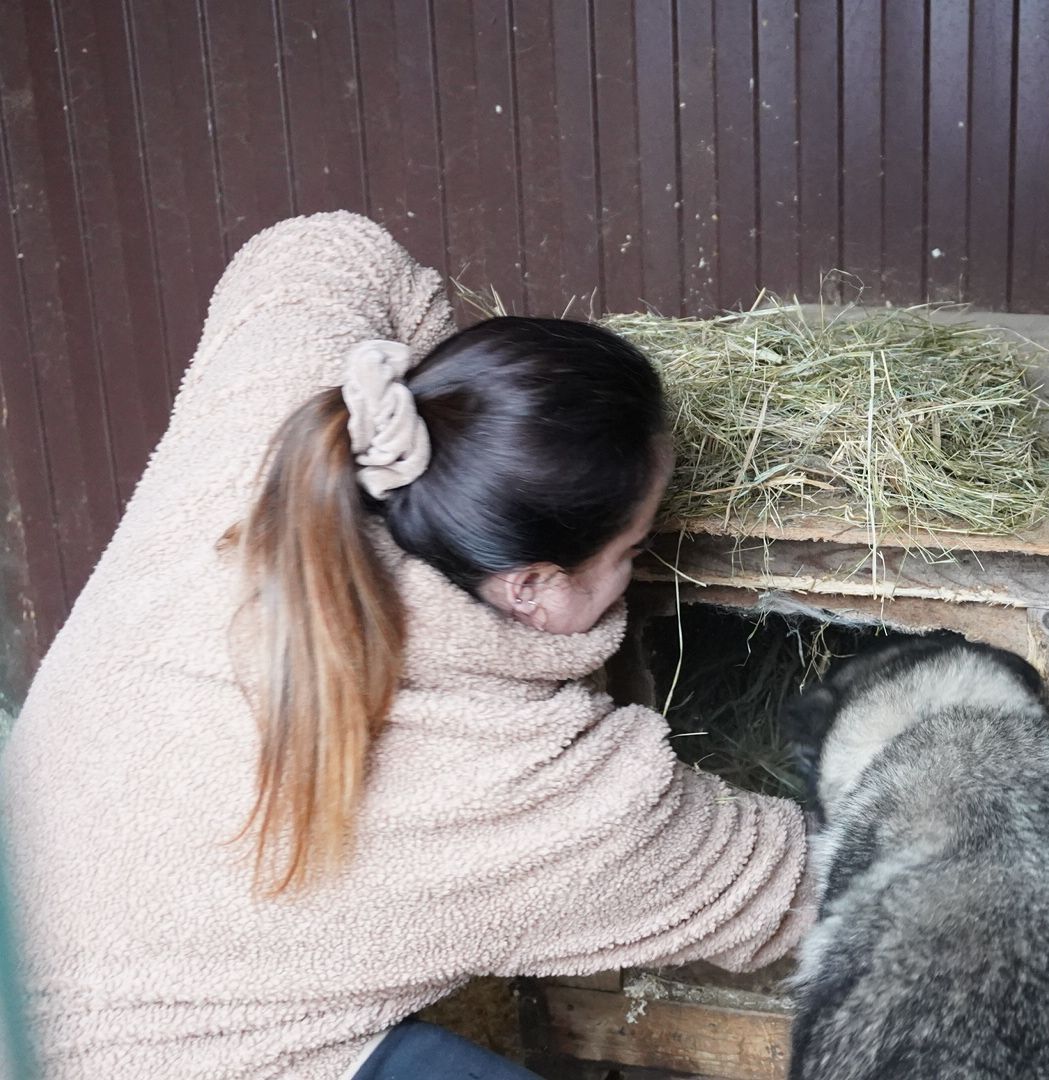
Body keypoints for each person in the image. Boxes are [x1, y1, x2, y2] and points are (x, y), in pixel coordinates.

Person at [0, 212, 812, 1079]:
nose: (634, 568)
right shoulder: (512, 788)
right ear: (530, 587)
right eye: (632, 551)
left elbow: (317, 248)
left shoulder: (270, 421)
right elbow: (795, 884)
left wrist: (440, 436)